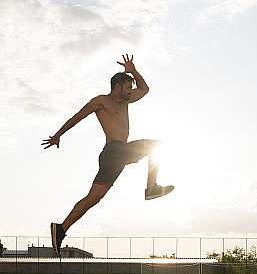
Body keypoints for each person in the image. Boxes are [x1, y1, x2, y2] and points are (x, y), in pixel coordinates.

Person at [42, 54, 174, 255]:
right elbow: (77, 117)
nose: (131, 92)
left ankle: (61, 228)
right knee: (157, 145)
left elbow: (145, 89)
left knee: (93, 198)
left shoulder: (126, 101)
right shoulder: (102, 101)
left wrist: (133, 71)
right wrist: (58, 135)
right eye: (128, 87)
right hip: (114, 151)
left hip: (117, 158)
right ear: (117, 86)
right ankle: (151, 188)